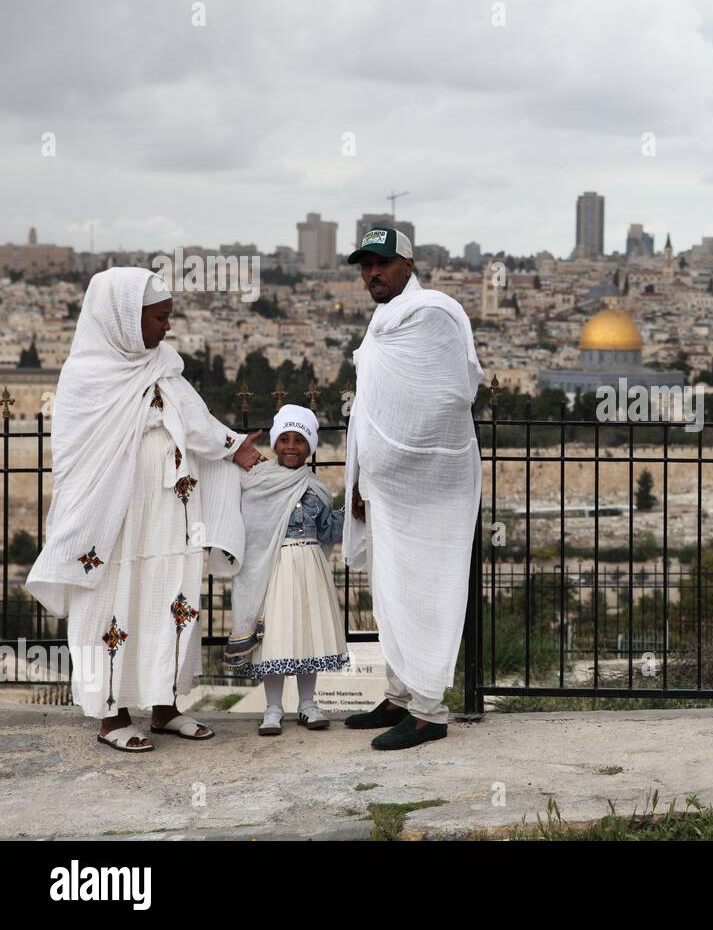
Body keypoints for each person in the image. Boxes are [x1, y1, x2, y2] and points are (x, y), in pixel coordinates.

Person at [26, 267, 259, 752]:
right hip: (113, 524)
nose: (166, 327)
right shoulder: (86, 375)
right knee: (111, 604)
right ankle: (111, 717)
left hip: (169, 517)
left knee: (170, 600)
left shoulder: (162, 363)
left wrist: (233, 445)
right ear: (124, 319)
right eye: (159, 318)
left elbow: (196, 421)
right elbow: (79, 455)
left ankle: (165, 706)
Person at [340, 228, 483, 750]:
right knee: (390, 593)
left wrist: (394, 463)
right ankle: (400, 696)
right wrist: (362, 477)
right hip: (383, 491)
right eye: (364, 266)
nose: (372, 274)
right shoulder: (385, 320)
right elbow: (376, 407)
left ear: (407, 263)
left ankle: (428, 712)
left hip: (427, 491)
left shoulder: (433, 314)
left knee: (423, 592)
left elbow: (445, 399)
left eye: (381, 263)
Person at [224, 404, 349, 736]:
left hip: (309, 568)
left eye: (299, 440)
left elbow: (329, 532)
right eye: (284, 439)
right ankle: (273, 708)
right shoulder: (255, 482)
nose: (291, 446)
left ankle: (308, 705)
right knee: (275, 637)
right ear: (275, 444)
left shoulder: (316, 489)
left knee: (306, 632)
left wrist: (353, 504)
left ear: (310, 447)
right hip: (272, 569)